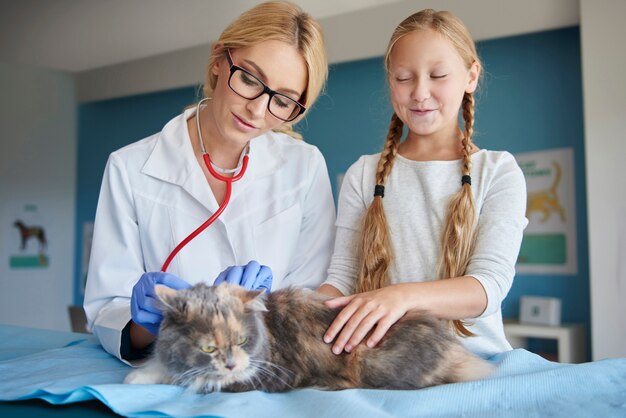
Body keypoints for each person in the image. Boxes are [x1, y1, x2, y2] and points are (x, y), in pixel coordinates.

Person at [84, 1, 336, 363]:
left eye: (282, 100)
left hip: (261, 372)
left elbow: (312, 297)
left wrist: (268, 308)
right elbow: (109, 311)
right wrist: (150, 323)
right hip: (172, 374)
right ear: (219, 59)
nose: (258, 110)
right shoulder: (130, 167)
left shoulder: (304, 166)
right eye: (249, 79)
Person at [318, 9, 528, 359]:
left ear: (471, 76)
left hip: (475, 365)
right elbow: (341, 279)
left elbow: (487, 288)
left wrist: (400, 297)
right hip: (386, 368)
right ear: (389, 80)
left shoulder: (498, 171)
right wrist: (285, 310)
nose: (419, 93)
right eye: (403, 78)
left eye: (438, 75)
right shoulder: (363, 174)